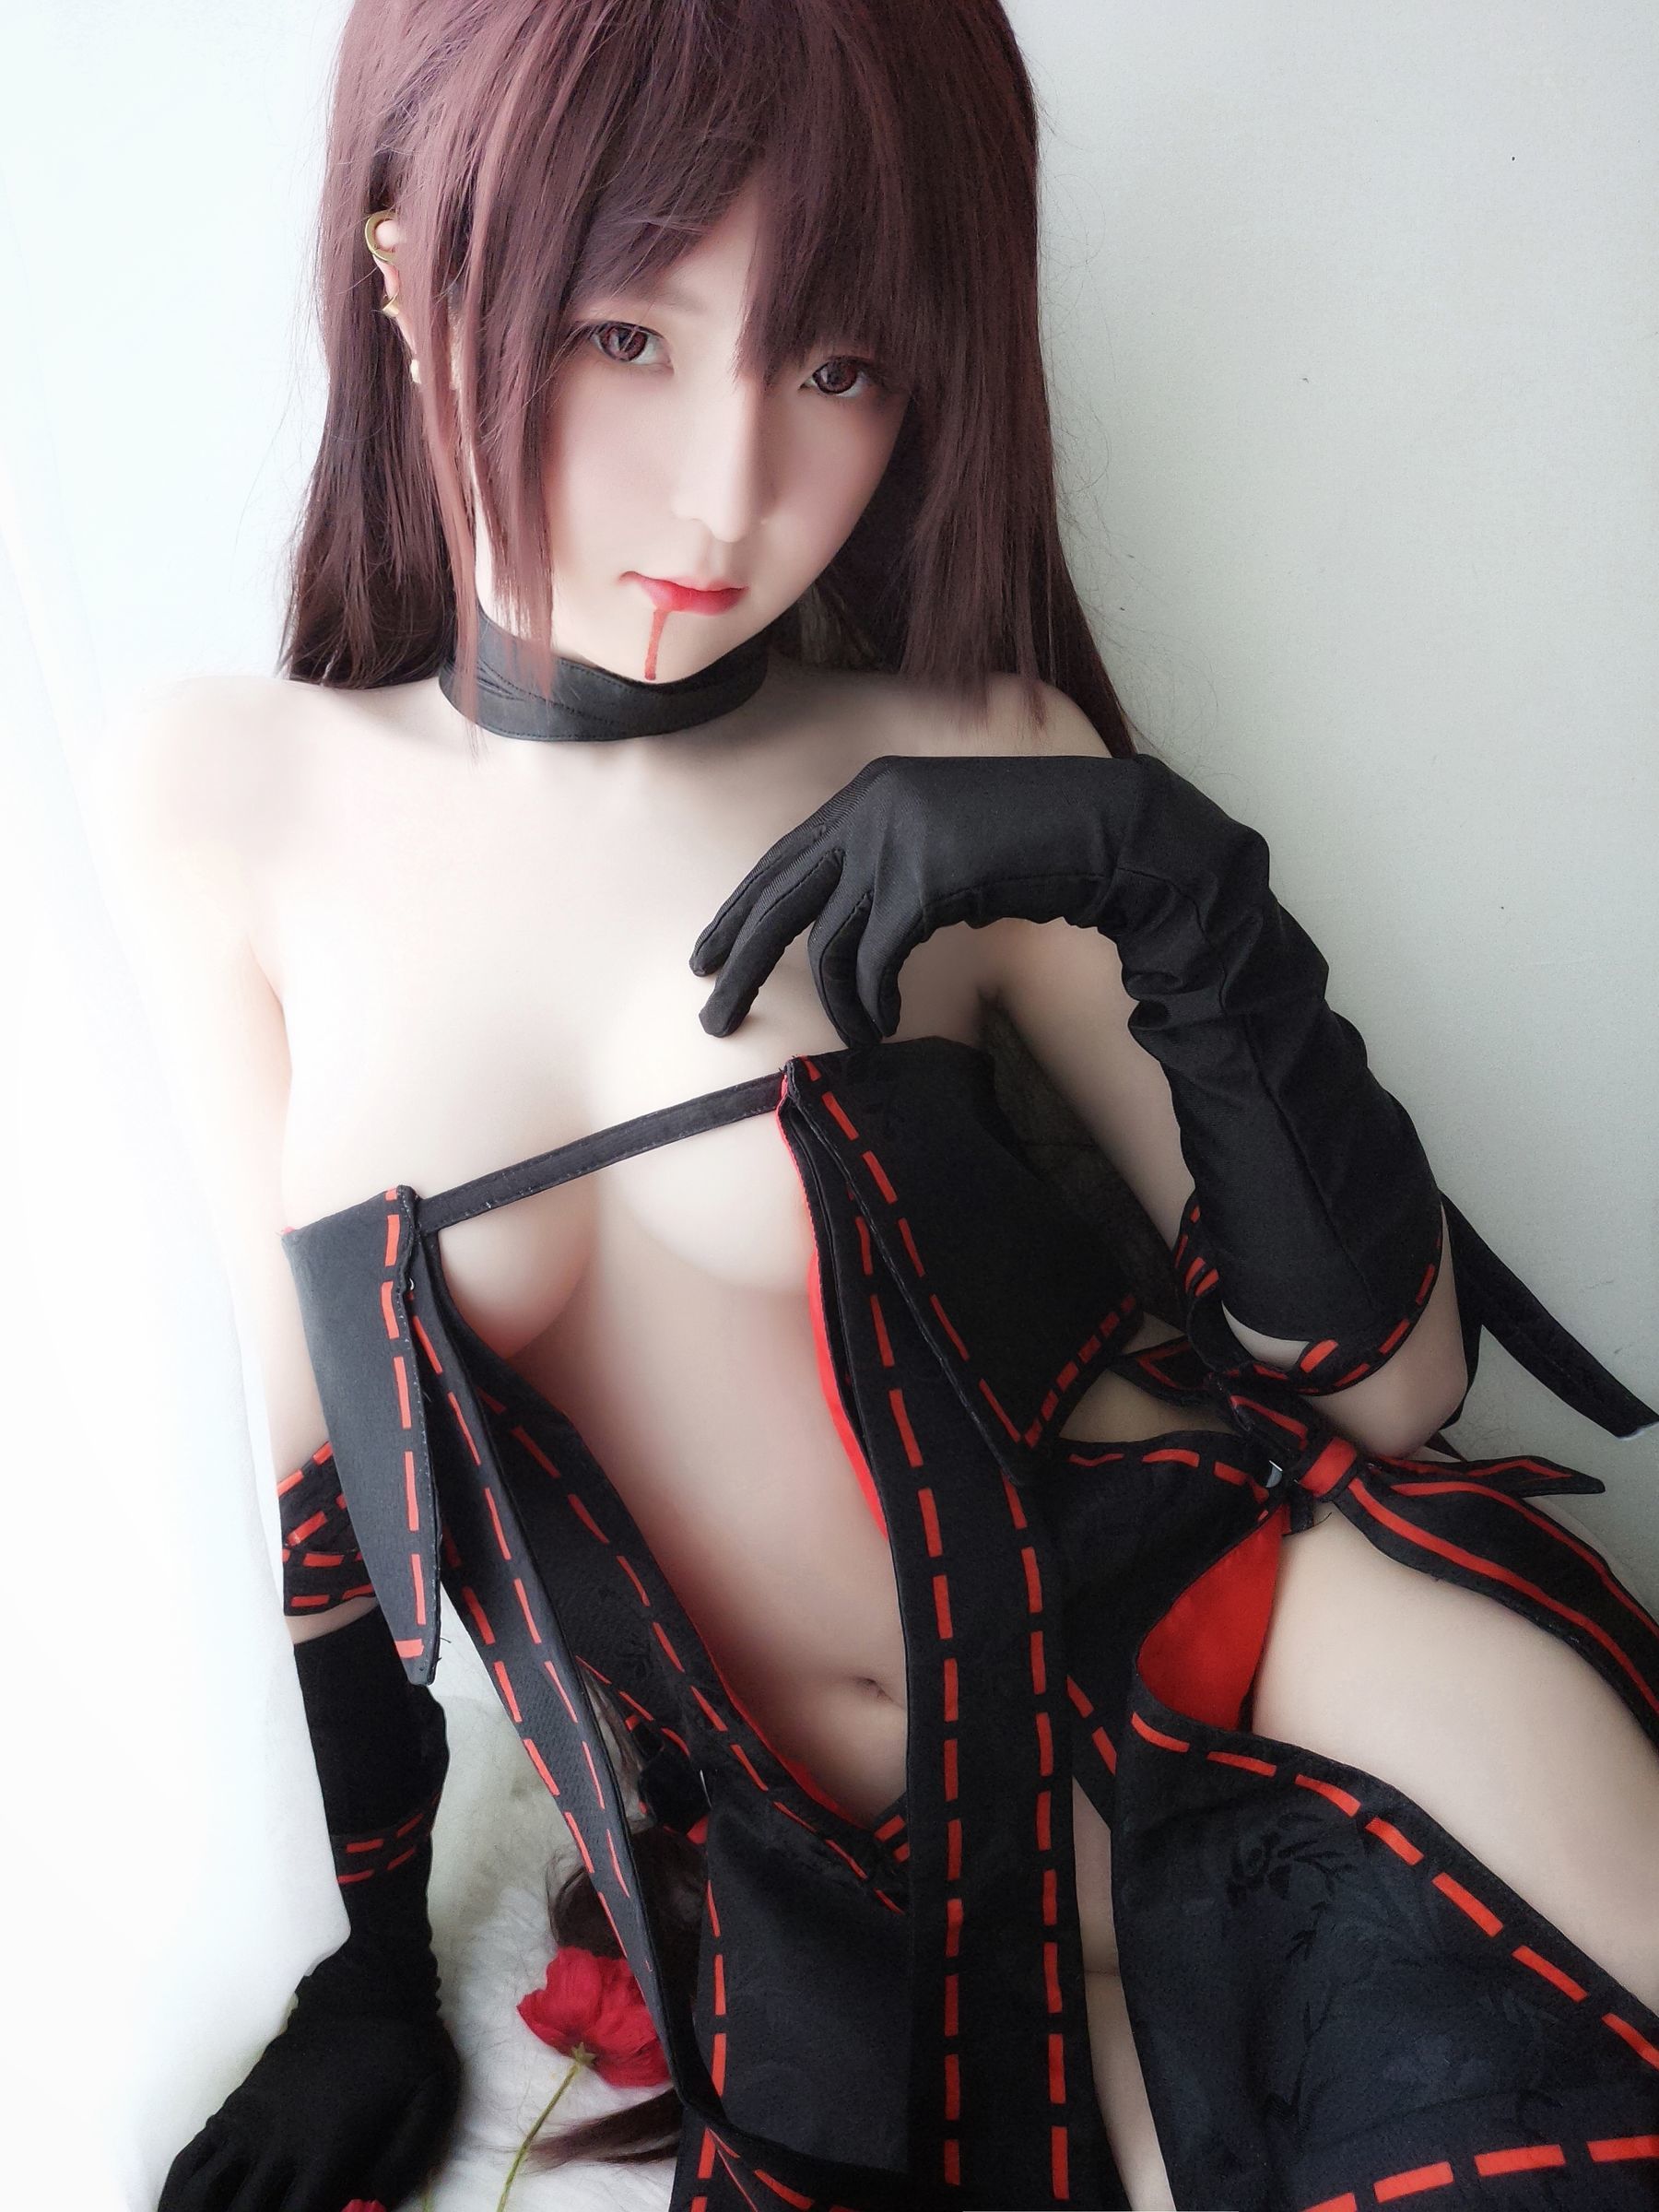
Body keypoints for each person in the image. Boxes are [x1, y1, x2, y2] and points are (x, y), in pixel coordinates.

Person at [88, 3, 1659, 2208]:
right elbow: (311, 1458)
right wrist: (368, 1964)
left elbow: (1388, 1391)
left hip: (1302, 1709)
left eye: (838, 369)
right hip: (847, 1915)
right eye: (628, 335)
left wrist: (1152, 868)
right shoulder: (222, 800)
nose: (730, 491)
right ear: (407, 265)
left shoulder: (975, 751)